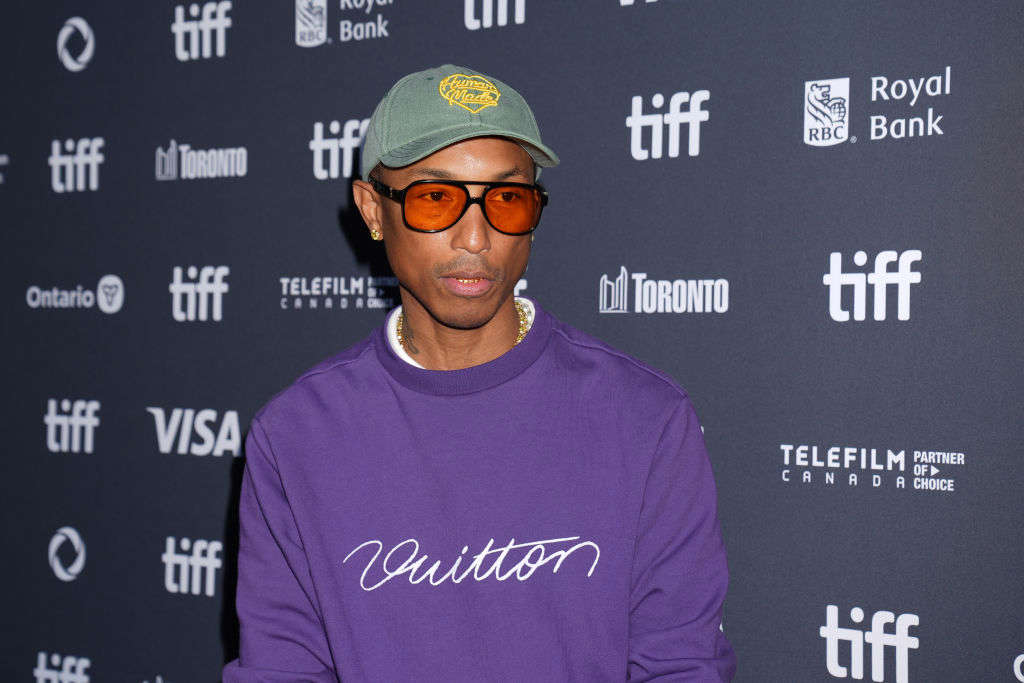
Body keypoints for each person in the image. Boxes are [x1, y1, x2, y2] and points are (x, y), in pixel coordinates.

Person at [222, 64, 736, 682]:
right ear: (372, 210)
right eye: (435, 198)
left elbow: (681, 665)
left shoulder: (645, 419)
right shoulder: (296, 435)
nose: (476, 237)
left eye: (507, 200)